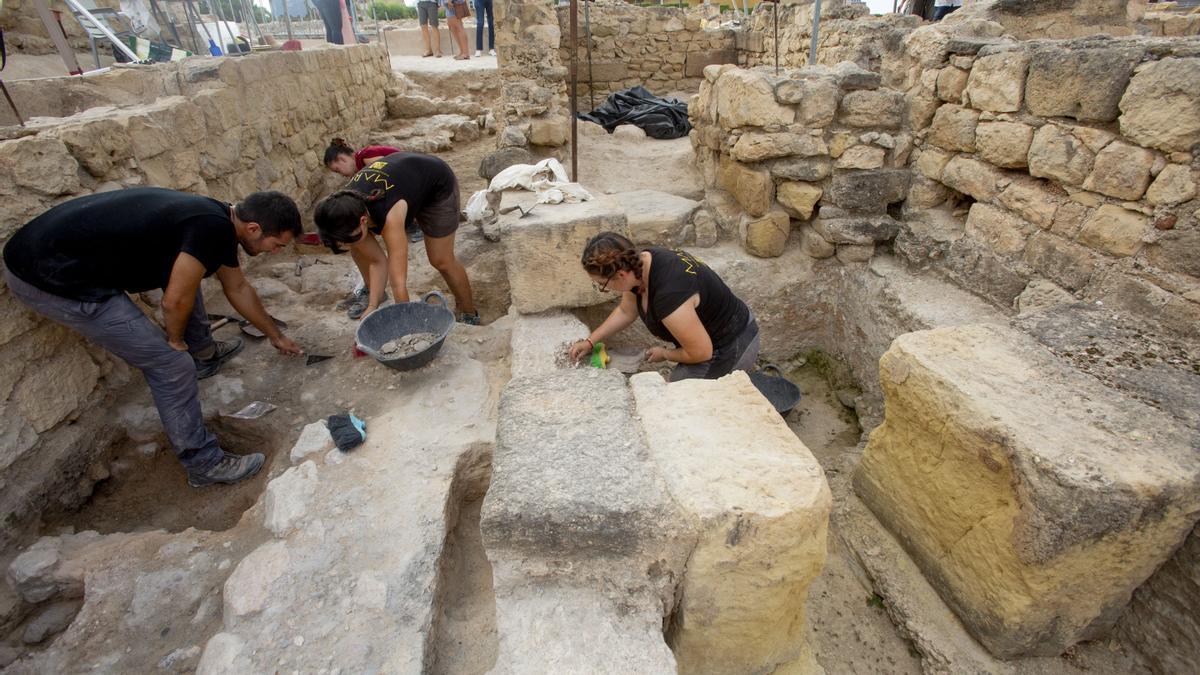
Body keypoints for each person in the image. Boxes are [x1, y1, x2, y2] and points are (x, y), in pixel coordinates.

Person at [2, 188, 305, 488]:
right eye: (277, 245)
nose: (276, 252)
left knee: (187, 278)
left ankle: (203, 354)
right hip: (49, 275)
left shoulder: (219, 220)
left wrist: (275, 336)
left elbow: (236, 287)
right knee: (172, 365)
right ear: (254, 228)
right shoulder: (210, 229)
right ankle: (204, 463)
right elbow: (173, 302)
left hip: (47, 251)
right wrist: (175, 342)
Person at [567, 232, 760, 382]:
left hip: (733, 344)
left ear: (621, 275)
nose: (605, 288)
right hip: (711, 338)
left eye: (602, 284)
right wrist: (590, 341)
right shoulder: (639, 264)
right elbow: (626, 311)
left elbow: (701, 352)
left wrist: (665, 354)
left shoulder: (670, 296)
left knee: (677, 396)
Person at [314, 152, 479, 324]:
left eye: (351, 239)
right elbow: (377, 261)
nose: (350, 244)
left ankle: (469, 312)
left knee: (441, 260)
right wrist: (372, 306)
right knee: (358, 251)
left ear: (363, 221)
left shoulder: (388, 214)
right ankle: (373, 295)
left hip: (436, 182)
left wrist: (406, 324)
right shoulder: (343, 211)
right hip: (405, 183)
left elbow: (398, 282)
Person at [322, 139, 422, 318]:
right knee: (357, 248)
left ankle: (415, 225)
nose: (341, 175)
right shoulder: (359, 171)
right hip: (393, 197)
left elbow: (388, 184)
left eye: (338, 170)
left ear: (343, 158)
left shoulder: (366, 158)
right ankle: (372, 291)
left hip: (407, 188)